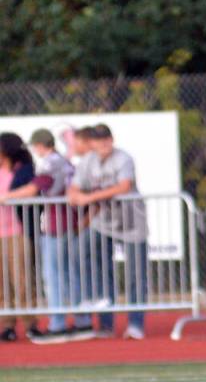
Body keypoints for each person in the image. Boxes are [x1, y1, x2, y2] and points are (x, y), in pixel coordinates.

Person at [0, 129, 93, 344]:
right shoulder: (56, 162)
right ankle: (79, 322)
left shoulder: (46, 165)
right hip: (55, 225)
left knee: (48, 277)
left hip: (41, 228)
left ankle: (55, 324)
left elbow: (35, 188)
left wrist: (6, 197)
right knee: (60, 275)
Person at [66, 124, 149, 339]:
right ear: (92, 143)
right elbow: (74, 188)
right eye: (99, 139)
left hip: (131, 223)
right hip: (103, 223)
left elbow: (124, 186)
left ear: (112, 140)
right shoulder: (88, 161)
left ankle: (136, 325)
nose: (104, 143)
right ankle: (104, 321)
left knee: (135, 275)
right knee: (82, 254)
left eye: (107, 138)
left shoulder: (123, 159)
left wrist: (89, 197)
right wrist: (75, 195)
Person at [0, 133, 43, 342]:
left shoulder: (22, 171)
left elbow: (32, 191)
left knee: (22, 279)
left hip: (17, 232)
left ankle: (30, 324)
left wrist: (6, 197)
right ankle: (7, 325)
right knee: (2, 283)